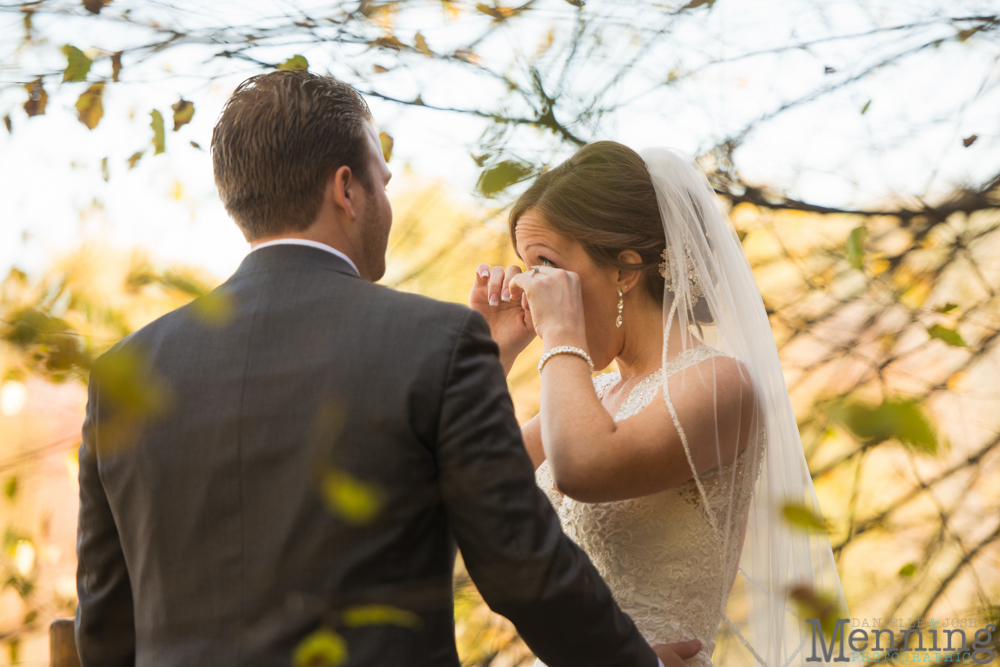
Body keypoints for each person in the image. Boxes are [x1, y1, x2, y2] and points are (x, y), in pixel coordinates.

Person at [74, 71, 703, 666]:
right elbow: (520, 564)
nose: (386, 200)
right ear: (346, 190)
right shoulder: (434, 343)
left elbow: (103, 627)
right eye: (383, 180)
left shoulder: (120, 377)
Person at [471, 142, 849, 667]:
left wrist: (561, 331)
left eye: (546, 266)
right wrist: (490, 354)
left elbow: (584, 469)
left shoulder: (719, 384)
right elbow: (461, 493)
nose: (531, 289)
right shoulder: (598, 395)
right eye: (527, 269)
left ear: (626, 269)